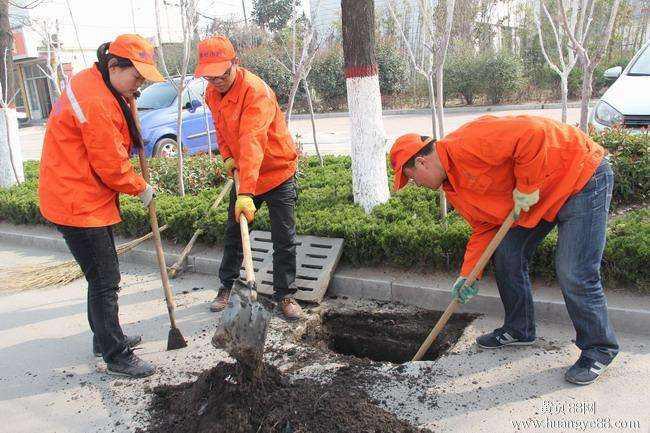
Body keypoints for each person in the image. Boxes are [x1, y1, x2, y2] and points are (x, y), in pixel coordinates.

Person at [389, 115, 619, 385]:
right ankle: (519, 329)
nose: (416, 184)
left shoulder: (470, 141)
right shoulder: (453, 188)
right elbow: (485, 228)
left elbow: (534, 134)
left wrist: (526, 186)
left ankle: (599, 348)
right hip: (537, 200)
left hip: (579, 177)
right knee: (507, 255)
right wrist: (468, 275)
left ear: (421, 162)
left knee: (574, 270)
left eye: (412, 178)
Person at [39, 34, 165, 378]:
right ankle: (116, 354)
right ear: (113, 66)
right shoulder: (95, 100)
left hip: (78, 193)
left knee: (98, 276)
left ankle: (104, 337)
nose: (137, 84)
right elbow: (111, 164)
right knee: (106, 278)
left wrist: (129, 98)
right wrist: (141, 188)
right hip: (77, 201)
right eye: (135, 77)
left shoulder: (98, 83)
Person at [195, 35, 302, 321]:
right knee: (234, 233)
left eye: (222, 74)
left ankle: (286, 295)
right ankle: (226, 286)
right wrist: (227, 156)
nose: (216, 81)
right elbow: (221, 127)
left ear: (236, 64)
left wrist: (245, 194)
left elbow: (253, 141)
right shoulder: (211, 93)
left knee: (284, 237)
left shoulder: (256, 92)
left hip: (277, 172)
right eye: (210, 76)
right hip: (245, 173)